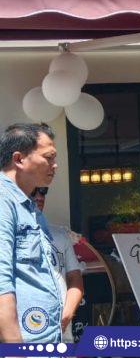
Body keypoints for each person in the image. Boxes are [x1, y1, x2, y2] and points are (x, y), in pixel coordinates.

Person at [0, 123, 62, 342]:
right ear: (19, 159)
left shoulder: (30, 207)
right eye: (49, 157)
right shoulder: (3, 202)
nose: (55, 165)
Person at [31, 186, 84, 342]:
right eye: (33, 191)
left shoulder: (60, 235)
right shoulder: (7, 236)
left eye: (43, 191)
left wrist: (67, 315)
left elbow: (75, 279)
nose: (39, 196)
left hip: (61, 333)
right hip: (24, 332)